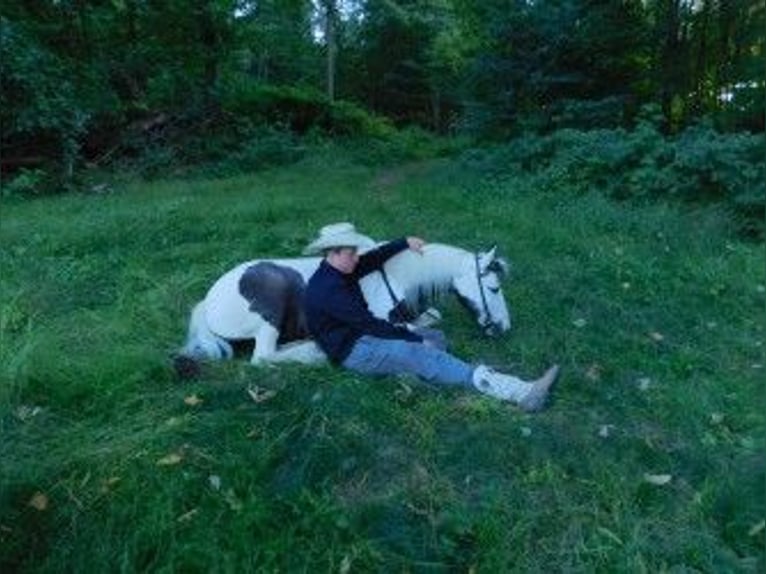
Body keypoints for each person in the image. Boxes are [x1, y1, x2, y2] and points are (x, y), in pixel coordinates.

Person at [303, 222, 560, 412]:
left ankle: (433, 374)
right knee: (420, 349)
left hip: (362, 336)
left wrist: (403, 242)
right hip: (355, 350)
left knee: (434, 336)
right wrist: (409, 338)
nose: (356, 257)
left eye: (355, 252)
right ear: (332, 253)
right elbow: (368, 324)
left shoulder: (338, 271)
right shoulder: (329, 290)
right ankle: (521, 392)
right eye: (351, 253)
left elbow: (373, 259)